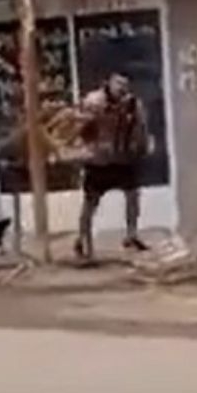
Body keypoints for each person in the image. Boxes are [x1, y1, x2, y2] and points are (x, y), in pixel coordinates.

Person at [75, 73, 152, 260]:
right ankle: (82, 238)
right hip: (98, 161)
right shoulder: (93, 102)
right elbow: (80, 128)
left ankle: (131, 234)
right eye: (118, 84)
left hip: (122, 159)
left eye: (124, 86)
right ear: (109, 84)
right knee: (90, 202)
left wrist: (141, 146)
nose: (121, 89)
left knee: (133, 194)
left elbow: (140, 127)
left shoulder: (132, 104)